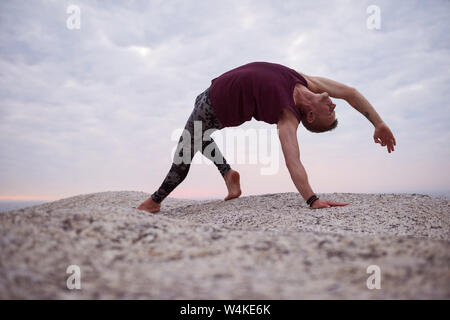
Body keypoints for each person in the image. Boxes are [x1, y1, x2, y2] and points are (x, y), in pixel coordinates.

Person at [137, 61, 396, 213]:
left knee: (183, 154)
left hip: (214, 107)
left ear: (311, 117)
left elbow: (293, 162)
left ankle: (155, 202)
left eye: (329, 113)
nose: (334, 105)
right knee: (201, 138)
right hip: (208, 94)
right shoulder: (308, 82)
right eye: (333, 108)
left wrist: (312, 199)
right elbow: (349, 93)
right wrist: (379, 123)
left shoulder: (288, 118)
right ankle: (229, 176)